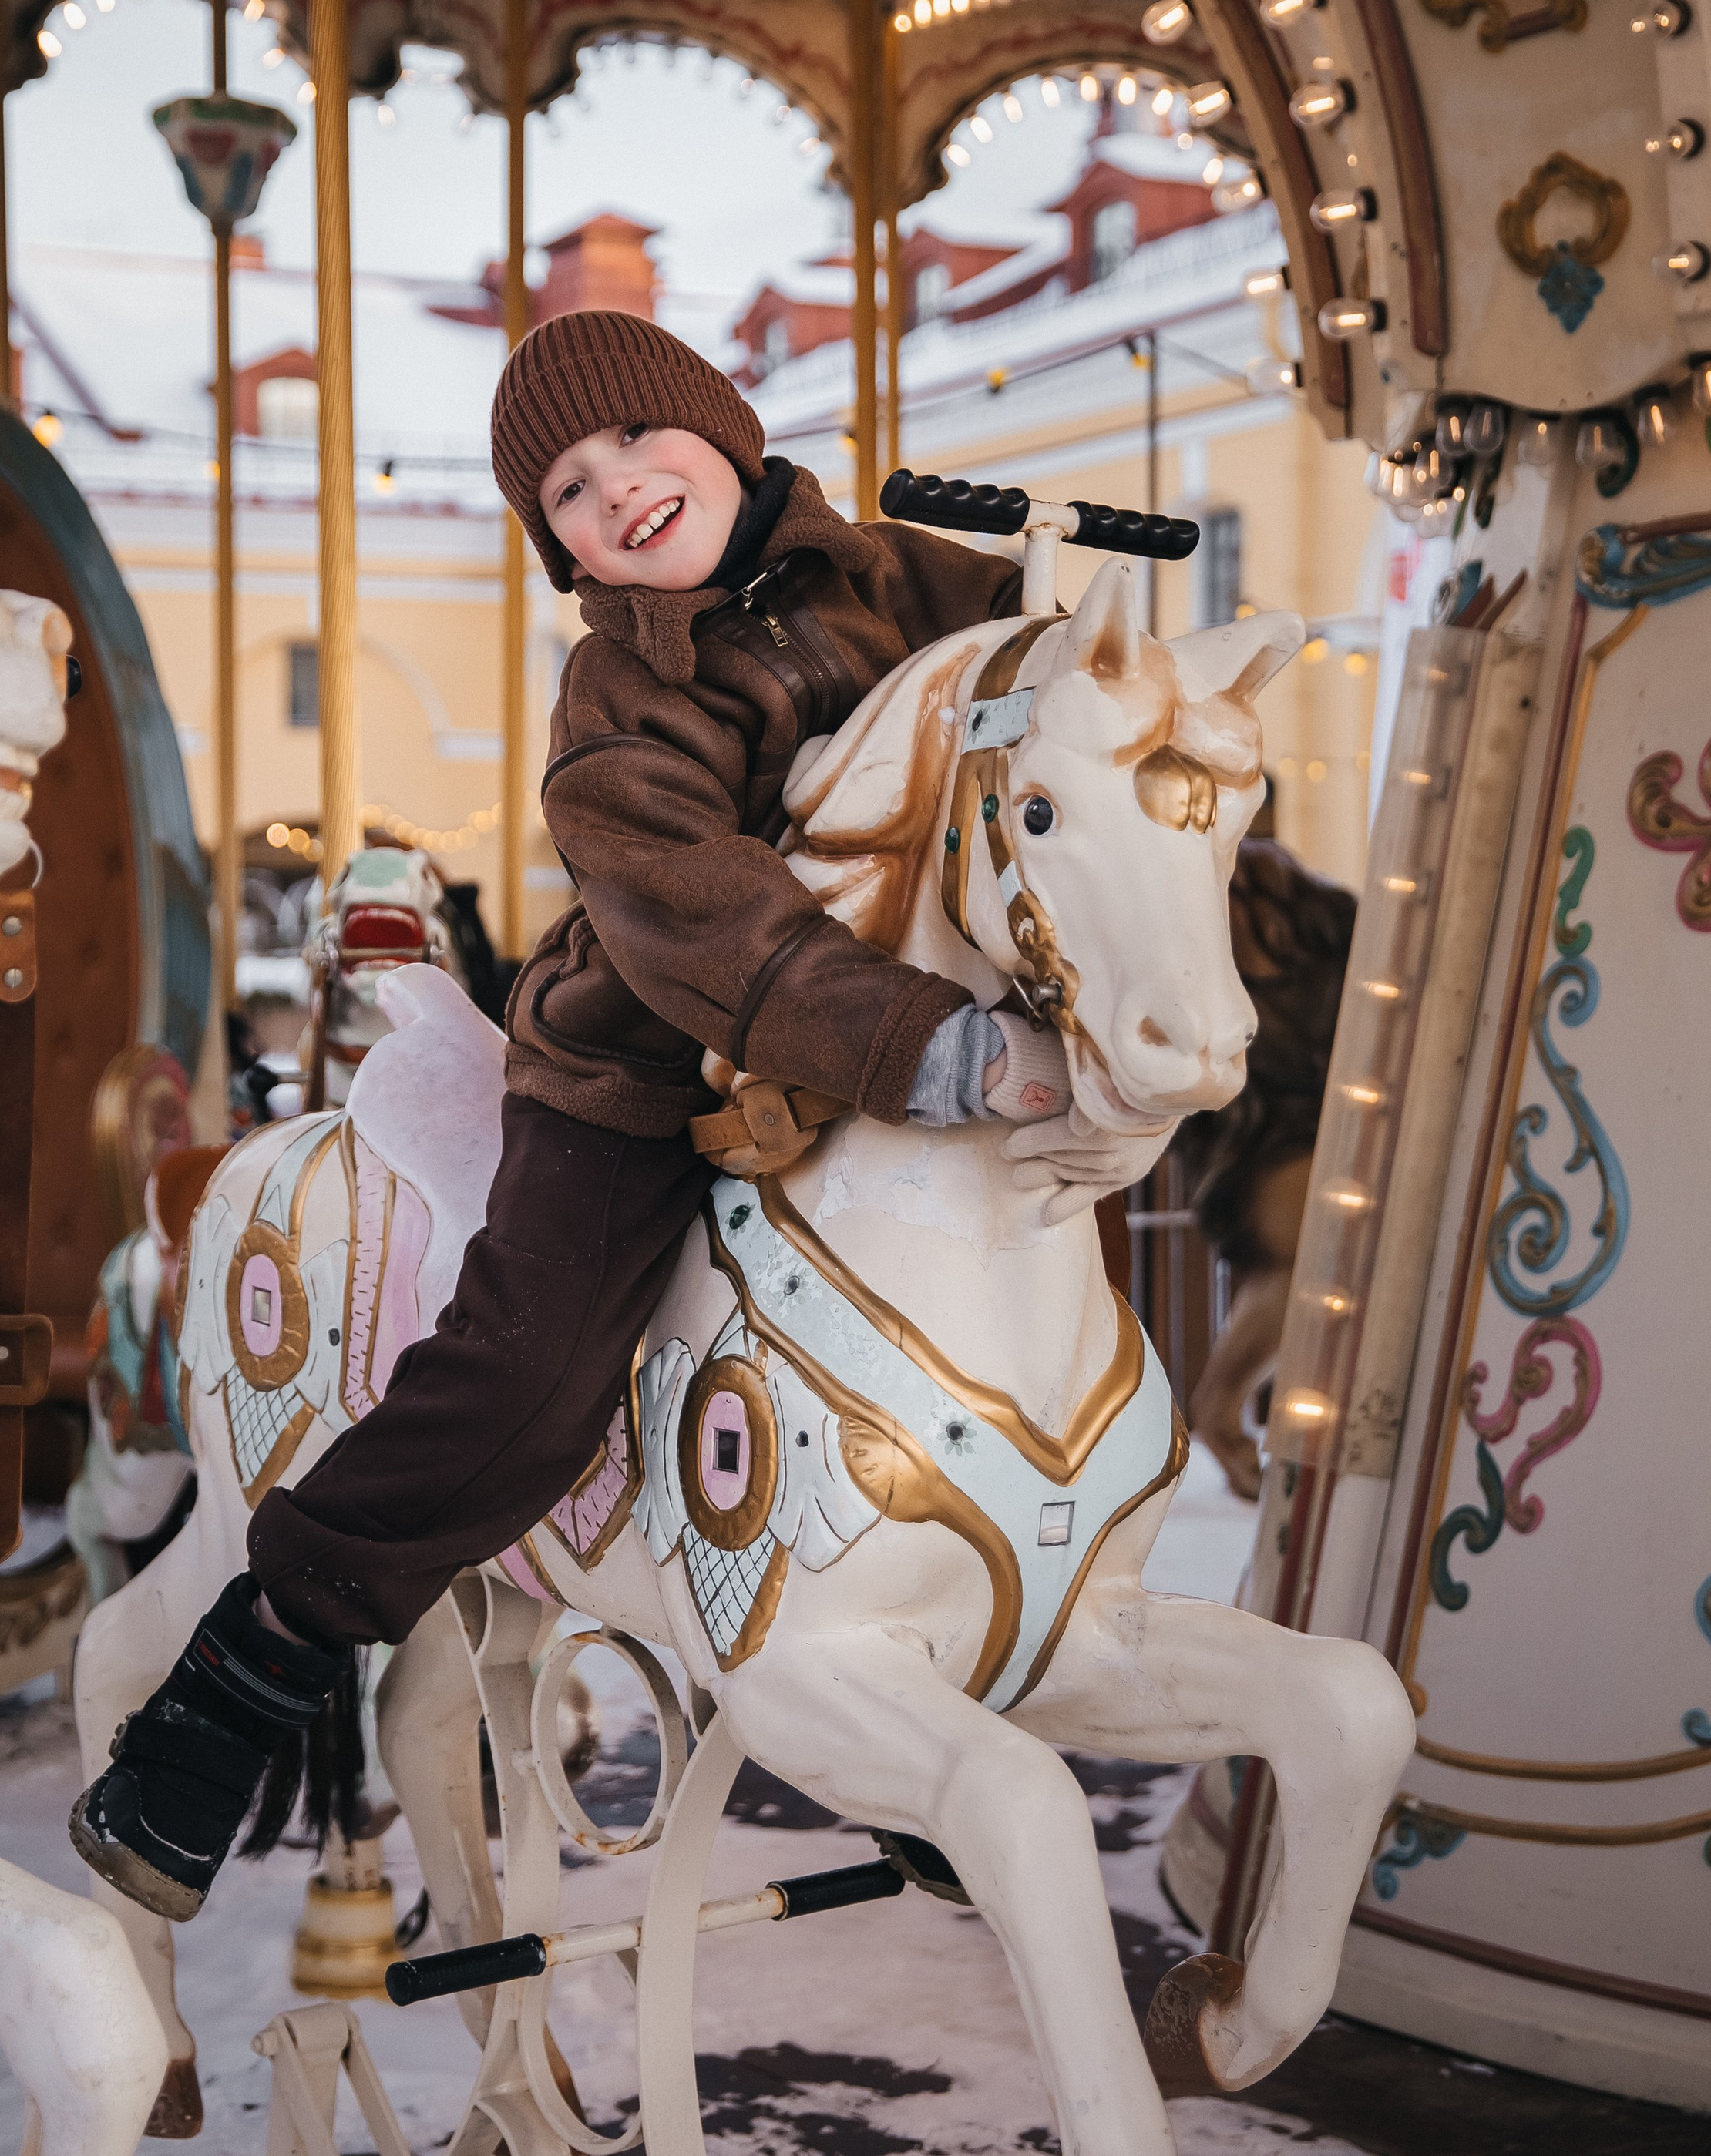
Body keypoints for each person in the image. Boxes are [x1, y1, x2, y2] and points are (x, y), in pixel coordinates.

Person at [70, 310, 1091, 1923]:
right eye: (564, 486)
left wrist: (1074, 626)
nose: (614, 490)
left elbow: (1039, 692)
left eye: (638, 442)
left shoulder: (904, 577)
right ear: (553, 544)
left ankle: (940, 1695)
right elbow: (701, 921)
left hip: (899, 1045)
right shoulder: (618, 690)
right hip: (637, 1059)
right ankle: (248, 1671)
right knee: (530, 1371)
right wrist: (933, 1047)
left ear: (727, 428)